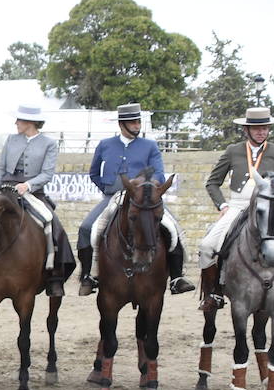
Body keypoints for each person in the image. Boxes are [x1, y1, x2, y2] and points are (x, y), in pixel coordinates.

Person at [198, 106, 274, 313]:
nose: (261, 131)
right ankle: (214, 293)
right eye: (257, 128)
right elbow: (213, 183)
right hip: (237, 206)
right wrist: (222, 205)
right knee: (207, 245)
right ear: (247, 130)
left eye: (265, 128)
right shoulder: (232, 150)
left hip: (271, 208)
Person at [76, 103, 195, 297]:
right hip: (113, 196)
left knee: (173, 228)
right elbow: (94, 172)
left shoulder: (150, 145)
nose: (137, 125)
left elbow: (159, 174)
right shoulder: (105, 145)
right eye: (133, 121)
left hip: (144, 199)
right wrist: (107, 188)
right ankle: (87, 275)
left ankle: (176, 277)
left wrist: (145, 188)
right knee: (87, 228)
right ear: (122, 124)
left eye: (138, 121)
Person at [0, 104, 74, 297]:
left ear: (30, 122)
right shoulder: (11, 139)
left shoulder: (49, 144)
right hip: (4, 188)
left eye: (19, 120)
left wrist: (28, 185)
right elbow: (0, 168)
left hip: (32, 191)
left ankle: (55, 274)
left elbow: (47, 173)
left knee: (50, 220)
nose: (16, 123)